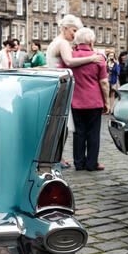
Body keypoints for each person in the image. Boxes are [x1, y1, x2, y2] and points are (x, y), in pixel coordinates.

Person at [47, 14, 104, 169]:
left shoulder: (55, 42)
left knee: (71, 129)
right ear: (65, 28)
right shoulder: (64, 43)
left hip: (62, 89)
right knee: (67, 128)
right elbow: (69, 62)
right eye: (73, 30)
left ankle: (69, 160)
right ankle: (59, 158)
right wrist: (92, 58)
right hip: (67, 90)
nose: (74, 35)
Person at [59, 28, 109, 172]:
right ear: (91, 41)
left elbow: (61, 75)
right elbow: (104, 83)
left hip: (75, 101)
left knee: (79, 133)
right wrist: (107, 102)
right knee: (93, 133)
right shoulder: (98, 57)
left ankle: (79, 163)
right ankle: (92, 163)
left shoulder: (70, 57)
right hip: (94, 101)